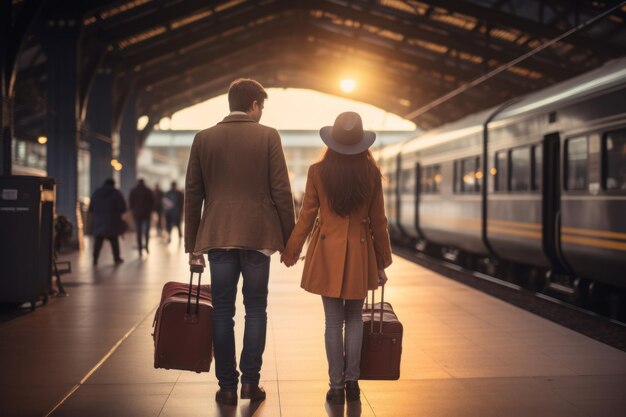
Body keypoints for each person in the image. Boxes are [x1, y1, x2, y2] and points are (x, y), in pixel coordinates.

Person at [185, 78, 295, 405]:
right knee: (256, 308)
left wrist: (193, 246)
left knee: (221, 311)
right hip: (259, 237)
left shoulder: (203, 139)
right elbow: (282, 193)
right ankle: (251, 382)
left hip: (218, 237)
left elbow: (193, 195)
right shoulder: (268, 136)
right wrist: (289, 241)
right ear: (254, 105)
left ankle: (227, 387)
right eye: (262, 106)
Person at [280, 112, 392, 405]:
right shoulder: (371, 174)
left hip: (326, 252)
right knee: (354, 318)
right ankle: (352, 382)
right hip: (360, 252)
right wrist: (382, 262)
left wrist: (291, 251)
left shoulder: (318, 171)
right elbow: (379, 221)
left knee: (333, 321)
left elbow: (306, 216)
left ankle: (335, 385)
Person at [88, 178, 127, 266]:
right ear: (113, 184)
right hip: (112, 222)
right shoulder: (116, 193)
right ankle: (116, 258)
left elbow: (91, 208)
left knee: (98, 241)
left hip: (98, 221)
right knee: (114, 241)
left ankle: (95, 258)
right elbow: (122, 208)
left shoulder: (96, 193)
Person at [128, 178, 154, 256]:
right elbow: (152, 201)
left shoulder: (133, 190)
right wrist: (150, 210)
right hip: (146, 213)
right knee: (146, 231)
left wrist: (133, 210)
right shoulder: (148, 190)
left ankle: (140, 248)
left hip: (137, 214)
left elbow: (130, 202)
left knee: (138, 231)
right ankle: (146, 246)